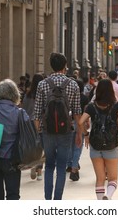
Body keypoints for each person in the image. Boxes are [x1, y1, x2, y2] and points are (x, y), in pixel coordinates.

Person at [33, 53, 82, 200]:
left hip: (47, 131)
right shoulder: (73, 84)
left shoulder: (42, 84)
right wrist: (79, 133)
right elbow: (77, 113)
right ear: (65, 66)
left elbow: (36, 113)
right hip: (66, 131)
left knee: (49, 166)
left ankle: (48, 199)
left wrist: (38, 133)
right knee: (61, 167)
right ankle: (57, 200)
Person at [78, 79, 118, 199]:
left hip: (95, 145)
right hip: (111, 145)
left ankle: (100, 203)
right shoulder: (115, 105)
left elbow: (80, 122)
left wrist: (86, 135)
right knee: (113, 178)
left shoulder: (91, 106)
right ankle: (108, 195)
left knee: (100, 178)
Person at [22, 73, 45, 181]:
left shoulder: (27, 94)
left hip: (29, 123)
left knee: (32, 145)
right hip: (40, 123)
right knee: (40, 146)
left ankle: (32, 164)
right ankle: (39, 170)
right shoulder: (43, 94)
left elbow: (24, 108)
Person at [67, 79, 90, 181]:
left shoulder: (69, 97)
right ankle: (74, 167)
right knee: (78, 146)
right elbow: (86, 111)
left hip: (70, 123)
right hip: (80, 121)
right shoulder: (85, 98)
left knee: (69, 146)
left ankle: (69, 163)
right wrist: (87, 122)